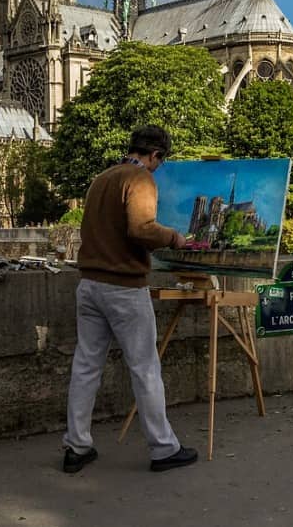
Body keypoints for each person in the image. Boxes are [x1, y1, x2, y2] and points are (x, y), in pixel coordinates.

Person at [62, 125, 198, 474]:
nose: (158, 167)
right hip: (122, 287)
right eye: (160, 161)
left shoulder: (101, 179)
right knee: (145, 368)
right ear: (154, 155)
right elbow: (141, 228)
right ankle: (164, 448)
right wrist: (174, 238)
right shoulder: (140, 180)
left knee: (86, 366)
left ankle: (77, 446)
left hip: (89, 284)